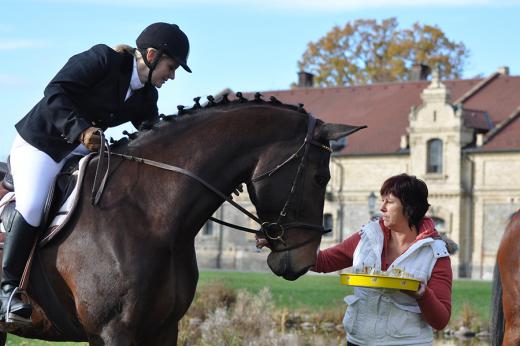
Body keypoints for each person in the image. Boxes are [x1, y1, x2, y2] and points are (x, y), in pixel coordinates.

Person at [1, 22, 191, 324]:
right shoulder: (103, 60)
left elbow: (154, 140)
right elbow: (54, 92)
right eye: (171, 66)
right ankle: (8, 290)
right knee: (34, 203)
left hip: (81, 151)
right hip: (42, 143)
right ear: (152, 55)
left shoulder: (146, 98)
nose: (172, 75)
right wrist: (81, 130)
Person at [257, 173, 454, 345]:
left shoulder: (436, 254)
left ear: (410, 208)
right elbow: (323, 261)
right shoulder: (367, 237)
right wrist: (278, 244)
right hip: (358, 342)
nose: (382, 208)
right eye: (381, 200)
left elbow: (440, 320)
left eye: (389, 202)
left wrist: (423, 295)